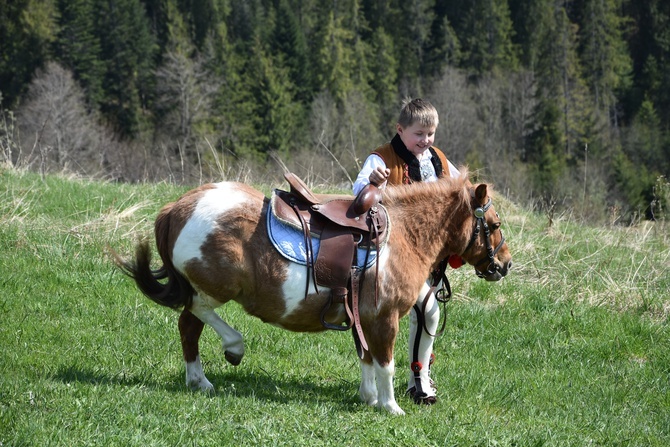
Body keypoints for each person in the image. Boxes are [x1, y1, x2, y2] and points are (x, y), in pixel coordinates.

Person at [353, 97, 462, 405]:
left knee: (426, 316)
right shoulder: (381, 158)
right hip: (393, 259)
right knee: (429, 311)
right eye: (418, 134)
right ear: (400, 130)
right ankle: (419, 380)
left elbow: (459, 190)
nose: (425, 141)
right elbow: (358, 194)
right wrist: (374, 184)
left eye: (430, 134)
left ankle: (418, 373)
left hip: (429, 258)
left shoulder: (438, 158)